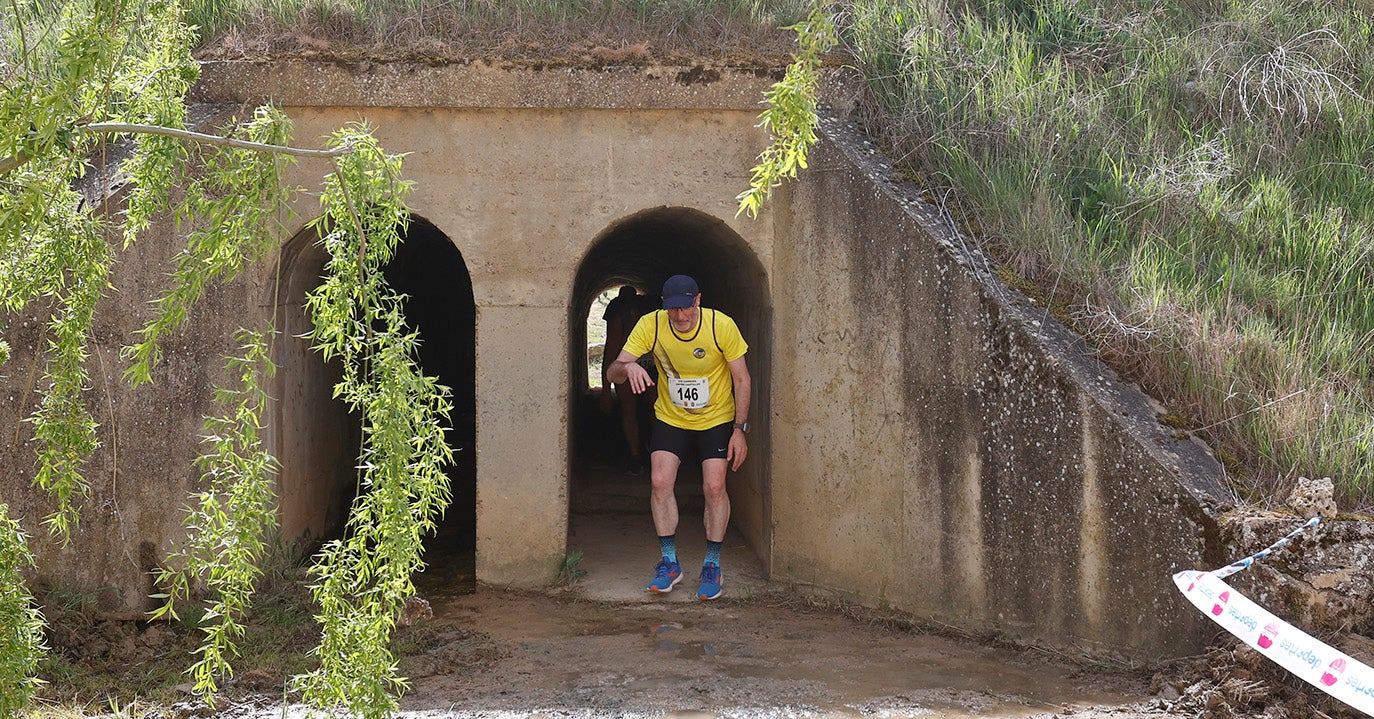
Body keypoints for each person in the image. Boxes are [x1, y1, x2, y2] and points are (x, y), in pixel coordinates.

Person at [605, 274, 751, 601]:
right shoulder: (651, 325)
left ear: (697, 300)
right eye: (673, 311)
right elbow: (613, 368)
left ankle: (712, 565)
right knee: (659, 481)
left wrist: (739, 430)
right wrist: (627, 370)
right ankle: (669, 562)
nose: (681, 317)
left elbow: (741, 379)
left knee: (714, 487)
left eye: (686, 309)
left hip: (716, 416)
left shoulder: (720, 326)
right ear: (664, 307)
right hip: (671, 416)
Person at [601, 285, 647, 474]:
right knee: (657, 411)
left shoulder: (618, 315)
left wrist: (606, 391)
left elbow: (611, 350)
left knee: (629, 412)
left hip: (627, 367)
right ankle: (654, 451)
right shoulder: (646, 314)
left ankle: (636, 457)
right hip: (651, 367)